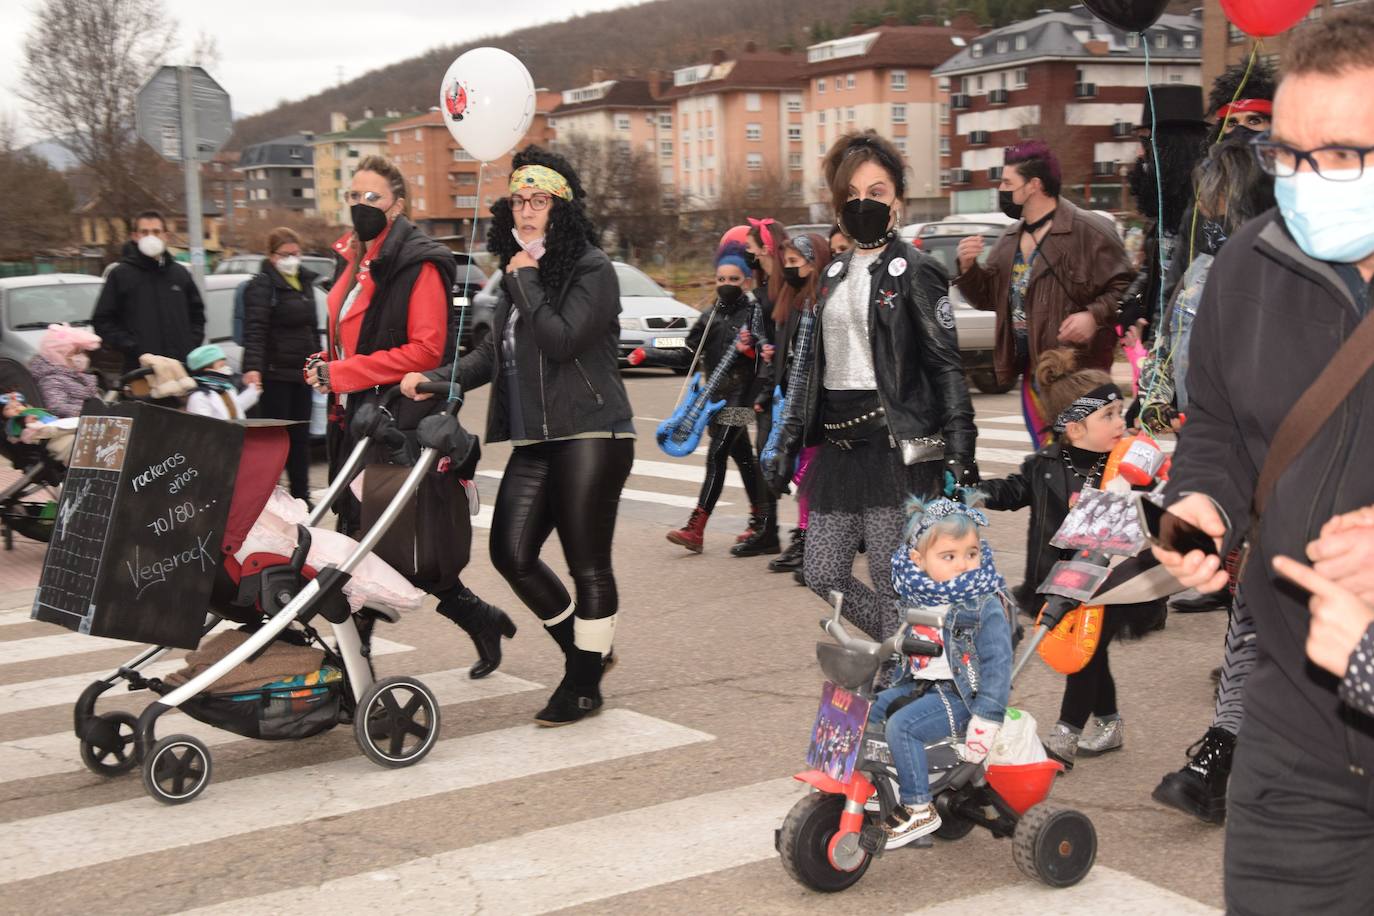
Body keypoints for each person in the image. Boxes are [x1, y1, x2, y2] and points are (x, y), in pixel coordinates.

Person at [1151, 9, 1374, 910]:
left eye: (1342, 155)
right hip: (1296, 728)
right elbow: (1217, 424)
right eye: (1286, 153)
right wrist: (1203, 499)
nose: (1305, 182)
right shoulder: (1249, 264)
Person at [403, 145, 635, 726]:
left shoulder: (591, 270)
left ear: (565, 209)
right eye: (519, 201)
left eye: (540, 201)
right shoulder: (516, 276)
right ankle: (585, 654)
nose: (526, 211)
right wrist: (436, 381)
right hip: (536, 438)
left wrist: (526, 280)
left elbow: (560, 340)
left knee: (589, 564)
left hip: (592, 433)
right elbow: (493, 352)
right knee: (511, 553)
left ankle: (582, 685)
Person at [770, 130, 977, 643]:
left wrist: (960, 447)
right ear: (839, 206)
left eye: (877, 192)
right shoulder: (833, 272)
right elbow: (808, 368)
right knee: (822, 572)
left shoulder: (920, 272)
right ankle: (911, 648)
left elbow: (946, 365)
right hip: (839, 451)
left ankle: (897, 682)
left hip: (894, 447)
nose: (865, 204)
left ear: (898, 201)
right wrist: (787, 438)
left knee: (891, 581)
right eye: (853, 195)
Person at [314, 154, 514, 682]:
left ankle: (352, 676)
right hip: (354, 418)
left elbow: (427, 351)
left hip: (395, 419)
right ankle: (476, 620)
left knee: (376, 545)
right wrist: (326, 365)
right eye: (354, 197)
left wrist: (346, 373)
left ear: (398, 205)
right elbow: (347, 334)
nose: (361, 206)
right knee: (370, 543)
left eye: (372, 197)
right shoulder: (352, 258)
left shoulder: (419, 262)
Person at [1146, 132, 1275, 825]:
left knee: (1257, 619)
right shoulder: (1213, 269)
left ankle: (1221, 756)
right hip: (1220, 462)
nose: (1215, 212)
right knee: (1250, 618)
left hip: (1288, 478)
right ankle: (1222, 755)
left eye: (1225, 198)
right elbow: (1182, 355)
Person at [967, 349, 1164, 767]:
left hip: (1107, 582)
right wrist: (976, 490)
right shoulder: (1045, 466)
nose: (1119, 423)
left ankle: (1065, 735)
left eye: (1119, 413)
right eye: (1107, 416)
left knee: (1086, 654)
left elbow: (1151, 510)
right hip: (1055, 577)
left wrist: (1151, 483)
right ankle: (1108, 722)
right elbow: (1015, 490)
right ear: (1074, 428)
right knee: (1090, 651)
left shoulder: (1123, 464)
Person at [954, 142, 1132, 446]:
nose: (1001, 189)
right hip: (1033, 374)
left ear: (1034, 185)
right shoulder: (1010, 239)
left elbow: (1129, 290)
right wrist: (968, 267)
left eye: (1008, 182)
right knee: (1048, 460)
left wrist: (1093, 315)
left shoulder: (1090, 230)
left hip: (1079, 371)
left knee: (1085, 458)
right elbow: (987, 298)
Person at [869, 497, 1012, 847]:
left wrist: (986, 718)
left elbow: (998, 664)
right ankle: (881, 783)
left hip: (962, 698)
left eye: (972, 553)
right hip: (923, 687)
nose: (964, 565)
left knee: (903, 726)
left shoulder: (982, 603)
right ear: (919, 560)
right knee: (870, 709)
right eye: (949, 556)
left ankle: (918, 806)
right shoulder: (920, 596)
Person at [629, 241, 774, 555]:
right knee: (742, 458)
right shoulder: (710, 315)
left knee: (717, 453)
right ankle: (762, 520)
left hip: (742, 397)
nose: (726, 285)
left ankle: (696, 527)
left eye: (733, 280)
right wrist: (648, 353)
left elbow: (768, 354)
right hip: (713, 397)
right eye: (721, 279)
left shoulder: (755, 313)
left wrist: (753, 355)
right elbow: (688, 354)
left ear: (746, 281)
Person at [758, 232, 833, 575]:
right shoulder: (796, 302)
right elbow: (794, 362)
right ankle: (806, 541)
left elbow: (809, 365)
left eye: (792, 262)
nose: (787, 269)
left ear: (813, 262)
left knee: (808, 475)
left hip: (819, 406)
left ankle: (812, 544)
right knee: (804, 475)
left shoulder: (819, 303)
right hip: (798, 403)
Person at [242, 227, 322, 504]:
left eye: (296, 253)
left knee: (301, 438)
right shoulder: (262, 285)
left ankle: (301, 495)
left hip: (301, 373)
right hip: (275, 374)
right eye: (286, 254)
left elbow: (312, 328)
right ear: (272, 256)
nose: (292, 259)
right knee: (276, 440)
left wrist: (318, 362)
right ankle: (269, 498)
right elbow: (255, 329)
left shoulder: (304, 282)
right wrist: (253, 368)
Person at [92, 210, 205, 372]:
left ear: (166, 236)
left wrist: (190, 344)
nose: (151, 237)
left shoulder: (180, 274)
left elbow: (197, 315)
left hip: (181, 369)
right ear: (135, 236)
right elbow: (103, 321)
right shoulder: (121, 274)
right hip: (140, 371)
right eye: (144, 232)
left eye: (156, 232)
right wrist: (132, 347)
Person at [740, 216, 785, 545]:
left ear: (766, 249)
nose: (747, 254)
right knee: (762, 453)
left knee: (786, 456)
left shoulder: (787, 286)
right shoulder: (759, 288)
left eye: (751, 249)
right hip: (761, 383)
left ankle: (773, 528)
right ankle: (765, 526)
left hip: (784, 382)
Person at [27, 323, 102, 418]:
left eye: (81, 352)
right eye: (75, 353)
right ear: (59, 354)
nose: (81, 357)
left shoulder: (74, 374)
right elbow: (56, 407)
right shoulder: (51, 380)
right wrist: (88, 411)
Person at [184, 344, 260, 420]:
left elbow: (235, 410)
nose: (227, 368)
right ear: (207, 370)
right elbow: (203, 426)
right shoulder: (199, 397)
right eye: (221, 365)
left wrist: (251, 392)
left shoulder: (226, 389)